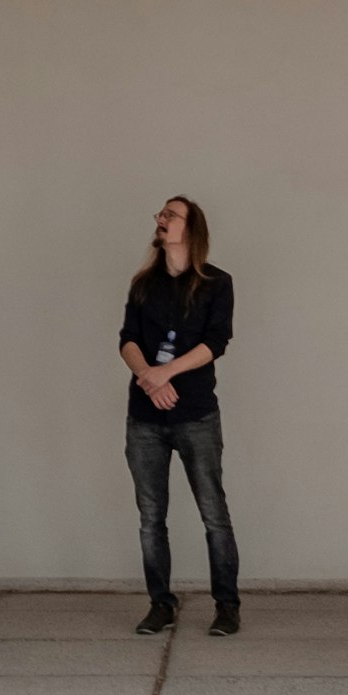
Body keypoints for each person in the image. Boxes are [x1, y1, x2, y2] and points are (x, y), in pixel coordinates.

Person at [120, 195, 240, 636]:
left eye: (170, 215)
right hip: (145, 419)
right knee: (151, 517)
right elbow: (127, 340)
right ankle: (161, 605)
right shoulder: (142, 284)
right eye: (160, 214)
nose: (160, 219)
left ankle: (226, 606)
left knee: (214, 513)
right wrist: (147, 378)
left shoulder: (217, 283)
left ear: (191, 229)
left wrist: (163, 373)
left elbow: (216, 341)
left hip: (196, 415)